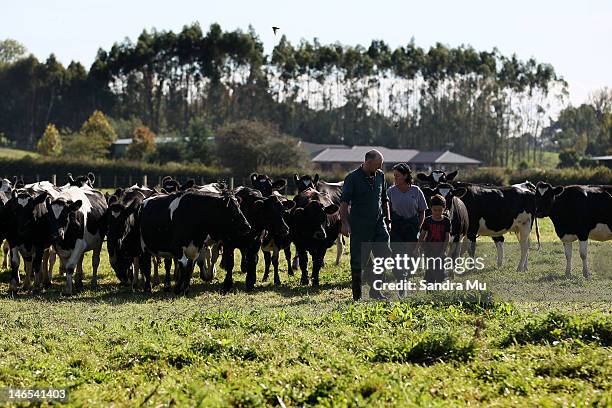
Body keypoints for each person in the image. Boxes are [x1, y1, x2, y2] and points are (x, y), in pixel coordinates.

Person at [340, 149, 391, 301]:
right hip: (360, 224)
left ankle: (375, 291)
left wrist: (388, 221)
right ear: (368, 163)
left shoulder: (380, 176)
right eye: (377, 165)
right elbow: (344, 202)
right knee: (358, 259)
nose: (379, 168)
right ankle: (357, 295)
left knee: (384, 253)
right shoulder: (352, 178)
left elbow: (384, 199)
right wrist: (344, 223)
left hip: (378, 223)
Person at [387, 163, 427, 242]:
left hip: (412, 227)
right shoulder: (391, 191)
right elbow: (387, 210)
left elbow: (422, 211)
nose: (395, 178)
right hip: (396, 228)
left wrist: (419, 227)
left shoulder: (416, 190)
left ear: (405, 176)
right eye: (394, 176)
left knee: (411, 252)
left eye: (397, 175)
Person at [418, 194, 451, 283]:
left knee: (440, 269)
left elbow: (447, 237)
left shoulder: (446, 221)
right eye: (435, 210)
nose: (437, 212)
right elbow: (422, 234)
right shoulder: (428, 220)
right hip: (429, 249)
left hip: (440, 249)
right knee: (430, 269)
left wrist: (444, 250)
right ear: (431, 208)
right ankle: (429, 289)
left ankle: (439, 289)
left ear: (444, 208)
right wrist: (418, 247)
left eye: (440, 210)